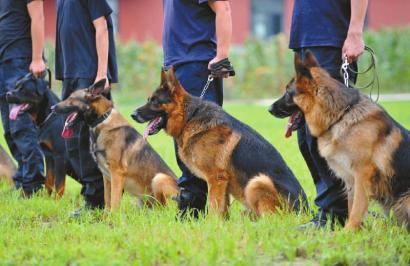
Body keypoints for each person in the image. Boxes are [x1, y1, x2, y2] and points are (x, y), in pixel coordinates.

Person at [289, 0, 368, 228]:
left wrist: (355, 32)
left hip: (330, 39)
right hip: (306, 39)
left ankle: (336, 213)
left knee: (327, 138)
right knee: (306, 139)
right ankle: (333, 207)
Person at [162, 0, 234, 218]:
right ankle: (193, 201)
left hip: (197, 64)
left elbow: (223, 7)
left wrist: (221, 55)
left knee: (200, 142)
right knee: (182, 140)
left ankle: (193, 207)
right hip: (177, 64)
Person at [55, 0, 118, 212]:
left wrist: (101, 74)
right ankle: (92, 193)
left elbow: (101, 27)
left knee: (87, 141)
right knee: (71, 141)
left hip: (89, 75)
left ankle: (96, 200)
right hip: (71, 75)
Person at [0, 0, 46, 197]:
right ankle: (23, 178)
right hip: (4, 60)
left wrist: (37, 58)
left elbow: (38, 17)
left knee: (22, 126)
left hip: (20, 59)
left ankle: (33, 184)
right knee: (9, 127)